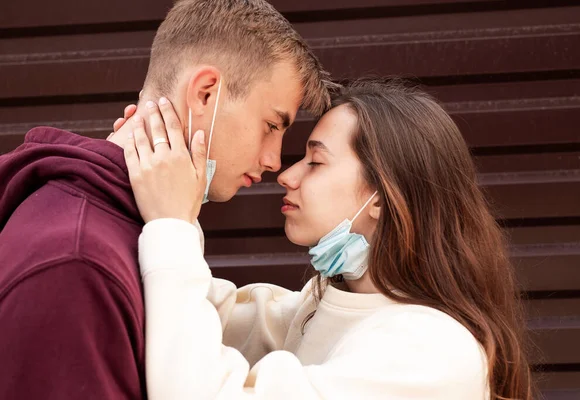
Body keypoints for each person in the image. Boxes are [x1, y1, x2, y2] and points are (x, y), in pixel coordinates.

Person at [0, 0, 332, 398]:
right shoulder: (76, 261)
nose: (273, 160)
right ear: (206, 93)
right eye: (271, 125)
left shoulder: (143, 227)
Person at [123, 78, 533, 399]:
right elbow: (209, 316)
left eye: (315, 161)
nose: (286, 174)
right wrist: (163, 181)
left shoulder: (431, 352)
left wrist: (172, 224)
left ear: (383, 195)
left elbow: (201, 391)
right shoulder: (326, 304)